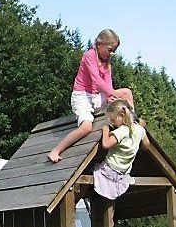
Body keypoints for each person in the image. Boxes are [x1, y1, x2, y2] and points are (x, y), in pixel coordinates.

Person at [47, 29, 136, 163]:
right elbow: (96, 79)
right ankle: (56, 150)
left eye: (114, 51)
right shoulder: (89, 55)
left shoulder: (107, 63)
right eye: (110, 49)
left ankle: (132, 124)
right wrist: (112, 93)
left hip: (96, 96)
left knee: (127, 92)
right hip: (82, 96)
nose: (111, 53)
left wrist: (110, 96)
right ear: (100, 44)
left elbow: (107, 82)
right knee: (87, 127)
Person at [93, 99, 149, 200]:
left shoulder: (122, 131)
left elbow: (106, 144)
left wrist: (105, 131)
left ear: (122, 115)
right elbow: (146, 145)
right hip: (123, 174)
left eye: (113, 120)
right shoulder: (140, 130)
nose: (113, 124)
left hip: (109, 169)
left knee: (92, 170)